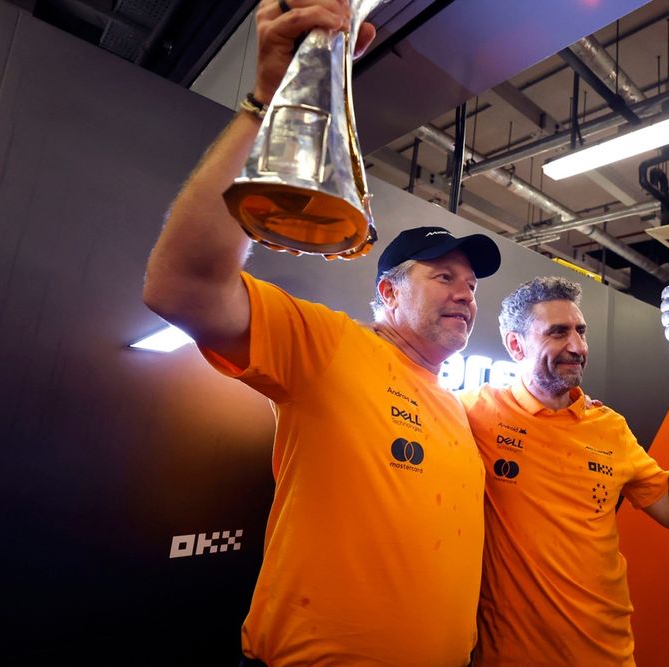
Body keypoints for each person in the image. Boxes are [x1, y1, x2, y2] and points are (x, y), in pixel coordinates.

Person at [142, 2, 503, 664]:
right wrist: (267, 101)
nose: (465, 293)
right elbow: (182, 285)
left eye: (472, 285)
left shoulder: (455, 407)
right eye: (444, 276)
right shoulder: (331, 345)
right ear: (387, 290)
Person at [458, 277, 669, 666]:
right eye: (558, 332)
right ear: (516, 345)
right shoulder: (473, 411)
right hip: (512, 654)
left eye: (581, 331)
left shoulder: (610, 426)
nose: (577, 347)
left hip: (607, 651)